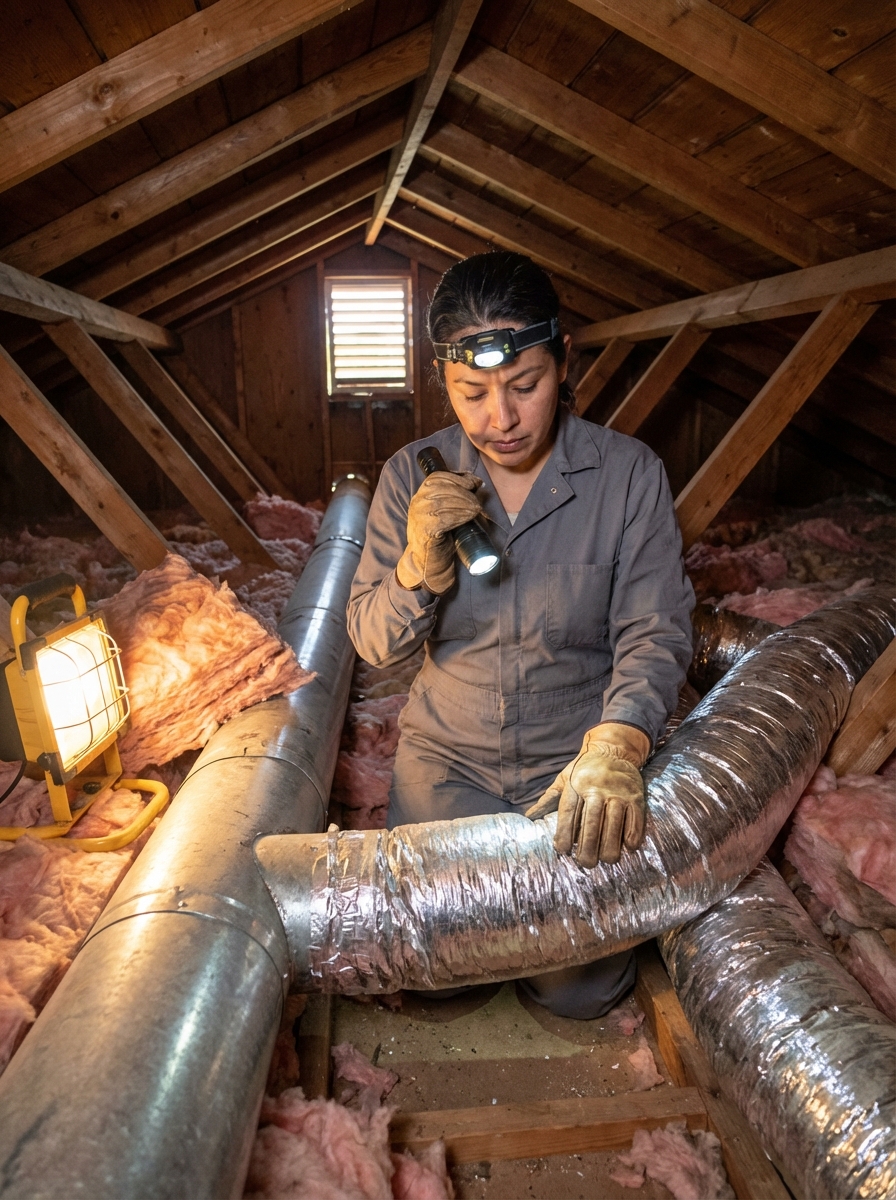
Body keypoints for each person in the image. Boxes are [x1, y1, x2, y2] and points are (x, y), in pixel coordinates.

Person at [347, 251, 694, 1019]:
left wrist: (617, 746)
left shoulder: (628, 474)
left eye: (524, 386)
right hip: (449, 762)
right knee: (440, 988)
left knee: (579, 992)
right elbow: (373, 643)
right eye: (472, 393)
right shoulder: (412, 474)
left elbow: (656, 631)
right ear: (444, 381)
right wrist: (414, 565)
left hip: (569, 768)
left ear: (564, 360)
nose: (498, 419)